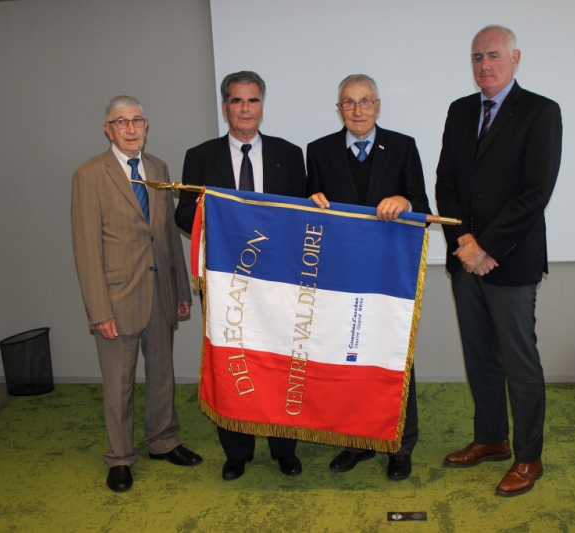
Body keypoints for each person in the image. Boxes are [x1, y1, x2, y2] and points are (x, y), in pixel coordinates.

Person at [435, 25, 562, 496]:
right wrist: (465, 242)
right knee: (480, 357)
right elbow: (445, 181)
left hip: (510, 259)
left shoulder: (541, 112)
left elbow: (535, 193)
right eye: (476, 58)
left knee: (519, 362)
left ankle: (529, 457)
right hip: (465, 258)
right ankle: (491, 439)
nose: (484, 65)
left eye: (493, 55)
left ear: (515, 58)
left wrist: (485, 247)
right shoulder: (460, 110)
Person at [175, 71, 307, 481]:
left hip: (277, 280)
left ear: (262, 106)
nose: (245, 109)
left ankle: (283, 448)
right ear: (224, 106)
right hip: (223, 279)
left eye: (252, 101)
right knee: (230, 362)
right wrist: (215, 216)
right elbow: (183, 215)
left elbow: (302, 216)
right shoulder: (199, 156)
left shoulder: (290, 153)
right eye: (236, 101)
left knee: (280, 363)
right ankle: (237, 451)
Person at [71, 95, 201, 493]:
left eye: (137, 121)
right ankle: (120, 458)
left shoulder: (158, 168)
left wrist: (181, 288)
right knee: (119, 384)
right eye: (121, 122)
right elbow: (86, 249)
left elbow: (164, 235)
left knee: (162, 375)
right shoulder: (90, 175)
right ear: (108, 129)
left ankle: (163, 441)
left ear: (146, 125)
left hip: (160, 291)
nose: (131, 129)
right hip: (117, 299)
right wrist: (99, 311)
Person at [306, 73, 431, 481]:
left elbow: (423, 206)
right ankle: (357, 440)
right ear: (338, 108)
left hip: (388, 275)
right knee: (349, 356)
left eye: (365, 102)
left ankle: (399, 445)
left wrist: (406, 200)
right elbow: (308, 208)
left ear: (378, 105)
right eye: (348, 102)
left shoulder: (403, 146)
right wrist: (312, 202)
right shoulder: (319, 151)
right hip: (340, 276)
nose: (357, 110)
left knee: (394, 357)